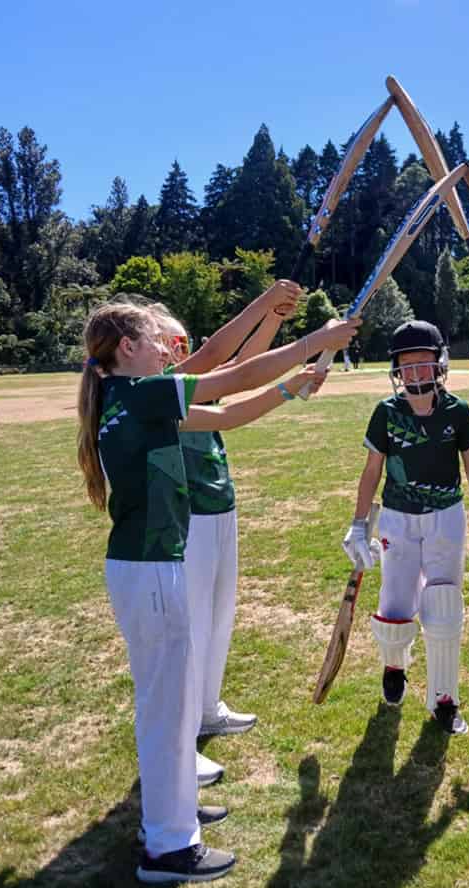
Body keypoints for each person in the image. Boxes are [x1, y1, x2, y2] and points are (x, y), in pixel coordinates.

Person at [76, 289, 358, 883]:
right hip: (149, 570)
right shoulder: (141, 392)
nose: (165, 350)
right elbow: (230, 371)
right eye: (155, 341)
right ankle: (168, 847)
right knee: (166, 710)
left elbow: (230, 412)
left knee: (171, 708)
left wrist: (293, 384)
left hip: (149, 566)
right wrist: (315, 342)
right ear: (128, 348)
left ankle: (172, 810)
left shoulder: (132, 397)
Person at [155, 288, 311, 758]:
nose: (181, 350)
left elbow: (237, 373)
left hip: (222, 508)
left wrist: (272, 320)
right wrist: (265, 309)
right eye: (173, 342)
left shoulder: (187, 381)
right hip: (191, 515)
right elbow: (224, 367)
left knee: (221, 615)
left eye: (183, 342)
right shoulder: (161, 389)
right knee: (196, 622)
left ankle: (208, 708)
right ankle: (184, 731)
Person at [342, 320, 469, 735]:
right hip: (398, 517)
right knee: (395, 601)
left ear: (440, 364)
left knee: (444, 604)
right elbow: (371, 470)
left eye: (424, 364)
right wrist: (358, 525)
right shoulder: (386, 413)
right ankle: (395, 666)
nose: (416, 374)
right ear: (397, 370)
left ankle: (444, 698)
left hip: (446, 515)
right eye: (407, 366)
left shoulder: (458, 412)